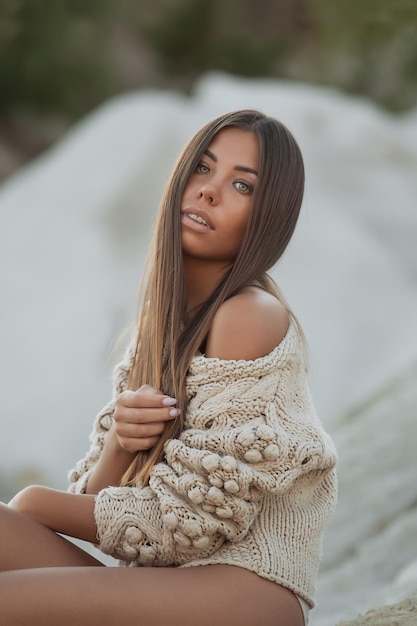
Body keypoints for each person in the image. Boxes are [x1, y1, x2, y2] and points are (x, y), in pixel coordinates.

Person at [0, 109, 337, 626]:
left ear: (268, 215)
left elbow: (187, 525)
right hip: (170, 585)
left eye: (242, 185)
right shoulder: (160, 332)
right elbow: (99, 508)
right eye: (202, 168)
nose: (209, 190)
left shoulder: (249, 315)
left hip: (246, 593)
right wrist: (119, 445)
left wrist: (34, 502)